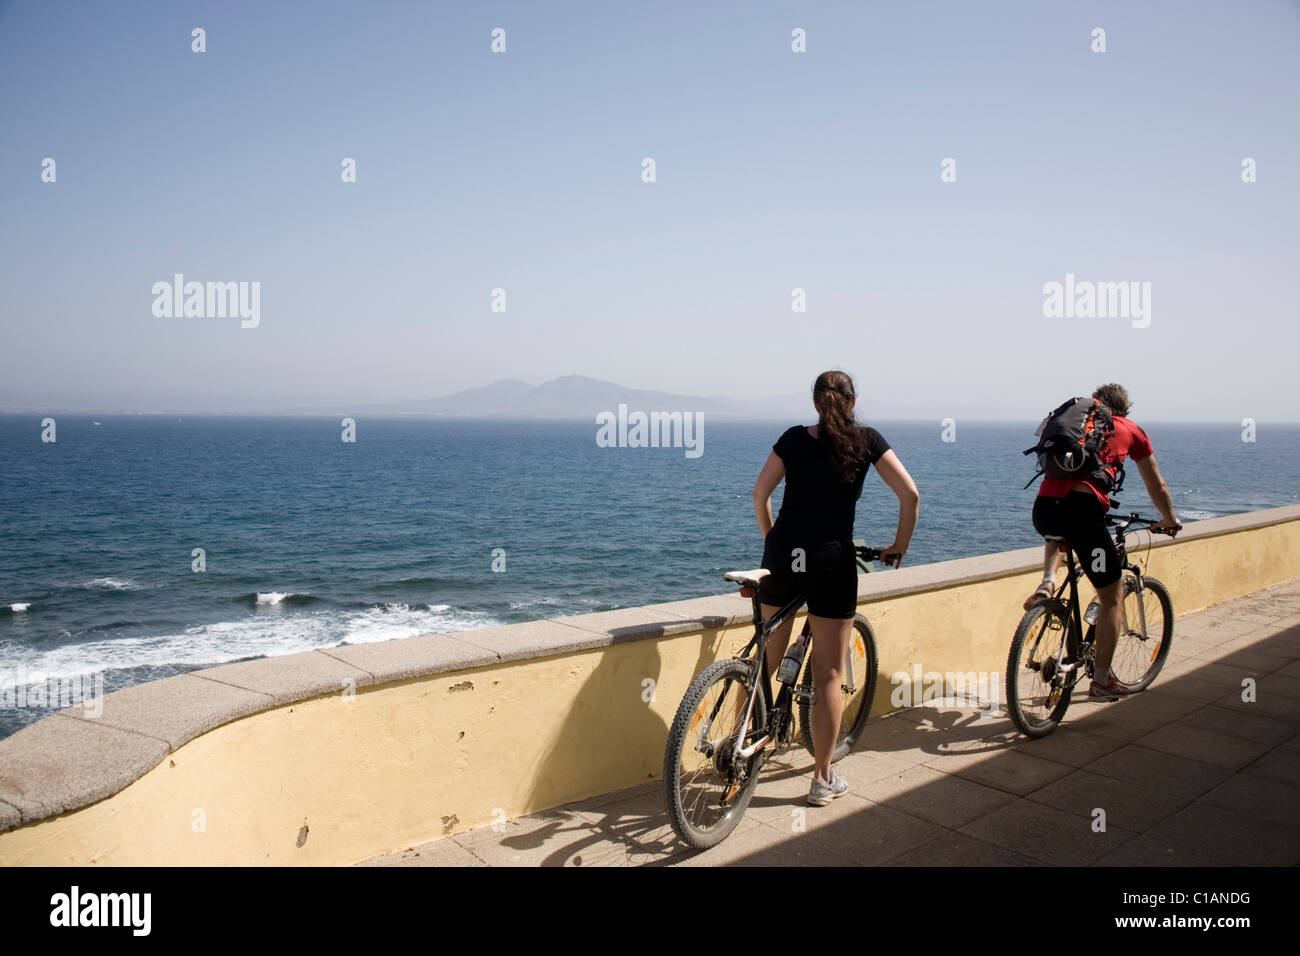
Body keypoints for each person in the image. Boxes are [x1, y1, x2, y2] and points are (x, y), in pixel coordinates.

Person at [752, 370, 919, 805]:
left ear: (814, 404)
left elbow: (759, 494)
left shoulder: (791, 438)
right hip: (831, 560)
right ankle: (822, 779)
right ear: (851, 401)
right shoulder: (866, 440)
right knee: (828, 674)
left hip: (783, 556)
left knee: (763, 660)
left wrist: (773, 541)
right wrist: (898, 546)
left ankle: (740, 744)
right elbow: (910, 495)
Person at [1025, 383, 1181, 700]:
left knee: (1063, 533)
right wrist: (1169, 519)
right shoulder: (1128, 429)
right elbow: (1157, 485)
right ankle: (1102, 681)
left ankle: (1048, 580)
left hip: (1044, 510)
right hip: (1083, 514)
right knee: (1111, 595)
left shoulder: (1077, 423)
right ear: (1124, 409)